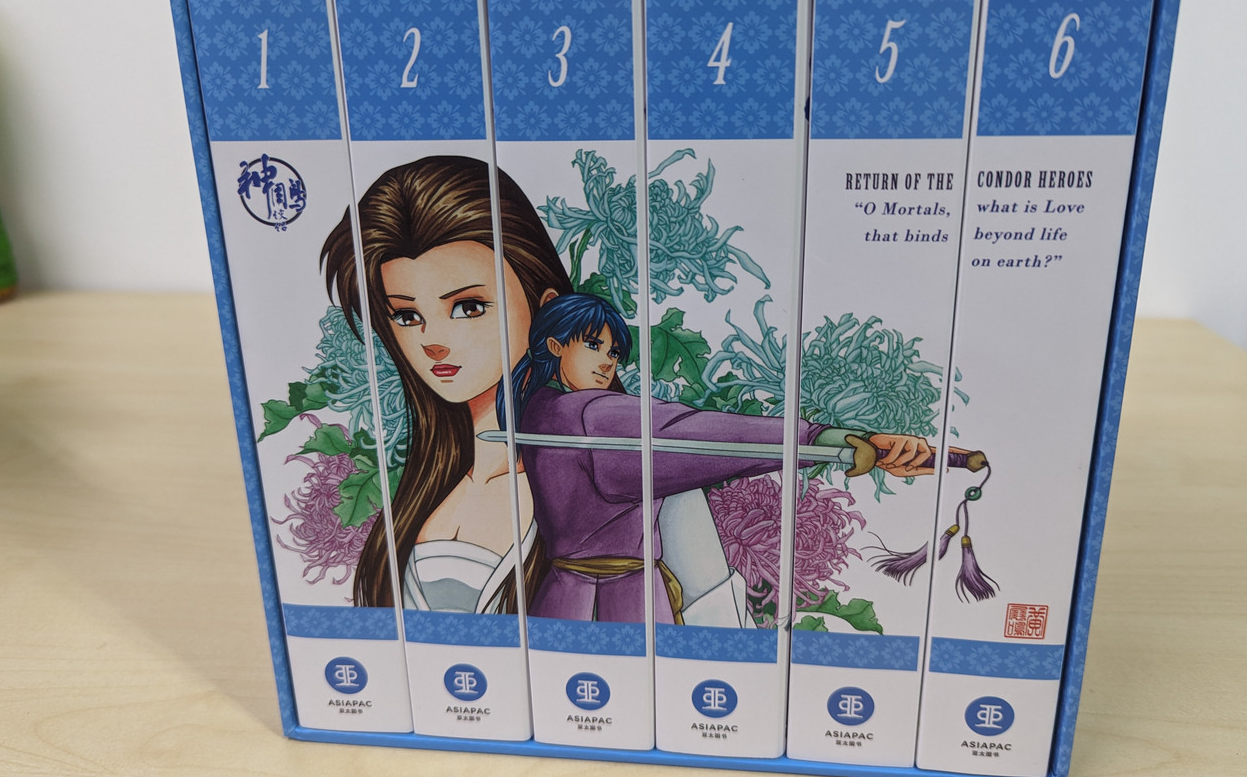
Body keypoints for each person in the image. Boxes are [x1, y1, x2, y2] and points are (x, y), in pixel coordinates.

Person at [500, 293, 934, 624]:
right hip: (622, 600)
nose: (607, 363)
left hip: (560, 597)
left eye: (613, 352)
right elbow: (705, 433)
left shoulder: (538, 409)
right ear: (555, 345)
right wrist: (825, 439)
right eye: (593, 345)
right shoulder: (591, 415)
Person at [320, 155, 593, 613]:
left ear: (548, 309)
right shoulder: (421, 490)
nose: (432, 341)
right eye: (407, 315)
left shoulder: (627, 478)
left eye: (469, 307)